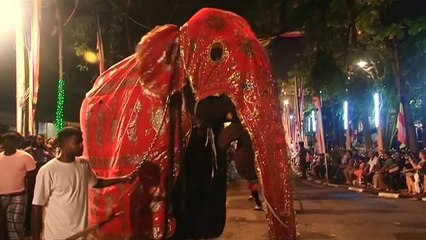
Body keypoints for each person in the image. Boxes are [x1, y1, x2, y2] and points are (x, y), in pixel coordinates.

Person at [32, 127, 137, 240]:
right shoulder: (47, 171)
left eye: (82, 141)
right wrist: (36, 237)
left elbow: (97, 182)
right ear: (62, 145)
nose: (82, 145)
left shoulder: (83, 163)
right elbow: (37, 206)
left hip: (81, 235)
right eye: (77, 142)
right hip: (56, 236)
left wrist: (124, 179)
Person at [0, 131, 36, 240]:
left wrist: (30, 197)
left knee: (15, 225)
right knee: (3, 227)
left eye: (9, 142)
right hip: (1, 197)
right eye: (4, 142)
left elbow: (32, 178)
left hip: (18, 195)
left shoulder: (26, 157)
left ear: (16, 143)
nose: (6, 144)